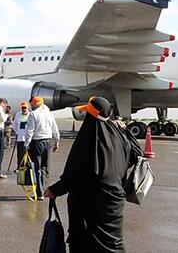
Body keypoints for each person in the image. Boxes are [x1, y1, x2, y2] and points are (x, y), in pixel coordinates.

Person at [44, 96, 144, 252]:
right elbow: (138, 154)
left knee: (84, 244)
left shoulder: (88, 139)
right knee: (112, 244)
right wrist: (125, 130)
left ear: (90, 116)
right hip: (114, 203)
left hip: (89, 206)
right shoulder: (120, 138)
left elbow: (74, 173)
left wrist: (55, 189)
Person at [24, 96, 60, 200]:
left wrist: (26, 144)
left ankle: (39, 193)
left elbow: (30, 131)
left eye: (32, 104)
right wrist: (56, 141)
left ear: (34, 104)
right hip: (47, 141)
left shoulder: (33, 114)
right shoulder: (49, 114)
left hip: (37, 142)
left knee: (37, 168)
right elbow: (55, 128)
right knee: (43, 168)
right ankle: (42, 190)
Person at [12, 101, 30, 170]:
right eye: (22, 108)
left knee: (27, 153)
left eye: (25, 108)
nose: (24, 109)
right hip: (20, 138)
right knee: (19, 154)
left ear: (27, 108)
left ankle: (27, 167)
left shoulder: (30, 115)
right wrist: (17, 132)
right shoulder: (18, 114)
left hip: (27, 138)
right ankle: (19, 167)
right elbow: (15, 125)